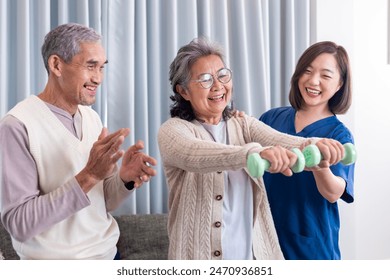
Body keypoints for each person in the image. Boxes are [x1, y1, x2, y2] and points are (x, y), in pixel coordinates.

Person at [157, 37, 345, 260]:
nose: (218, 86)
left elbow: (282, 140)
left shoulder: (243, 124)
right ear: (184, 91)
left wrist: (316, 145)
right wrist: (251, 153)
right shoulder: (173, 131)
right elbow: (194, 154)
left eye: (222, 75)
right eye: (205, 80)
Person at [0, 23, 157, 260]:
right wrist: (89, 175)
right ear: (56, 65)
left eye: (102, 68)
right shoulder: (17, 126)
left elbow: (99, 203)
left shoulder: (91, 118)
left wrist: (124, 179)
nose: (98, 78)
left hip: (107, 256)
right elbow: (20, 224)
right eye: (90, 66)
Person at [259, 41, 355, 260]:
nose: (313, 81)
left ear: (340, 84)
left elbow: (334, 193)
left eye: (326, 75)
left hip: (310, 247)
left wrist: (320, 168)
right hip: (266, 240)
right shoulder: (271, 118)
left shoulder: (339, 135)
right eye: (307, 71)